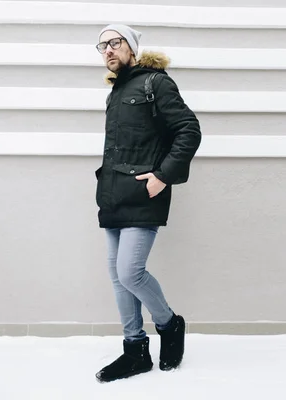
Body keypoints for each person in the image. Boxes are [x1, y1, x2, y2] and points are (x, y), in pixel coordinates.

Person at [93, 24, 201, 383]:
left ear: (132, 47)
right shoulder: (116, 91)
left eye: (115, 42)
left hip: (142, 194)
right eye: (102, 45)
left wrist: (163, 176)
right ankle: (135, 350)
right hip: (113, 194)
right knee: (117, 278)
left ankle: (169, 325)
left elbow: (188, 129)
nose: (108, 49)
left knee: (130, 272)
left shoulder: (156, 83)